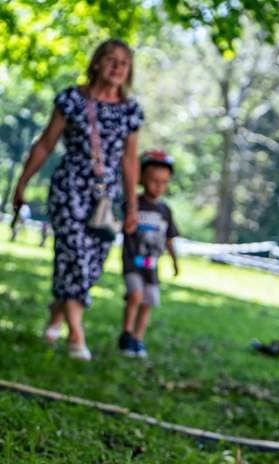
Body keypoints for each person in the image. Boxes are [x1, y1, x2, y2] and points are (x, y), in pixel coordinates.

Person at [12, 38, 142, 361]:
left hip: (105, 196)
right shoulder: (71, 100)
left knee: (93, 262)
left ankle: (57, 313)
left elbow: (130, 160)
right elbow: (45, 144)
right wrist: (22, 183)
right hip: (69, 188)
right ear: (96, 62)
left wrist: (132, 205)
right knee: (73, 254)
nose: (117, 67)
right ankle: (76, 336)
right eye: (111, 60)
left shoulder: (130, 111)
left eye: (124, 63)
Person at [118, 150, 179, 358]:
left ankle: (138, 338)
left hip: (151, 265)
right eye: (154, 180)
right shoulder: (132, 204)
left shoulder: (165, 211)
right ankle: (126, 334)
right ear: (141, 178)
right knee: (135, 295)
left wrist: (175, 262)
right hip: (132, 261)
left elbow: (169, 238)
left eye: (164, 182)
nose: (158, 186)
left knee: (147, 302)